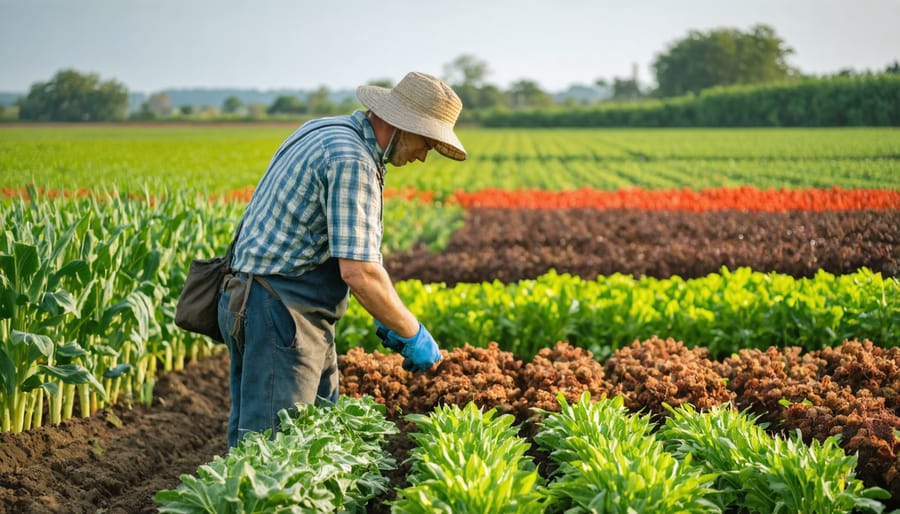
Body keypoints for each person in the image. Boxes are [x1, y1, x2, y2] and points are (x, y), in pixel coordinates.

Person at [217, 71, 466, 448]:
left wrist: (391, 318)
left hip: (259, 299)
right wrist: (412, 331)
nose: (422, 157)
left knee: (302, 438)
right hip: (282, 313)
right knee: (271, 453)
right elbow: (360, 271)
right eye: (426, 143)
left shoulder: (325, 129)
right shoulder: (353, 160)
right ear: (402, 126)